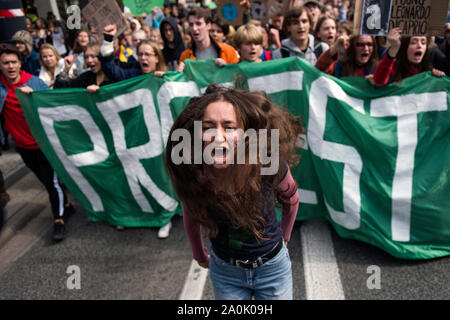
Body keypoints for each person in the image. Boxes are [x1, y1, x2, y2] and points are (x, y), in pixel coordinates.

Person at [165, 84, 303, 300]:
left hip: (272, 269)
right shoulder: (196, 173)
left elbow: (291, 200)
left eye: (229, 127)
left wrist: (285, 237)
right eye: (208, 126)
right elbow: (191, 214)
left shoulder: (268, 164)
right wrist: (199, 253)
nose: (219, 137)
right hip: (225, 273)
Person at [0, 44, 71, 241]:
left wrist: (35, 98)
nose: (11, 66)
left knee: (51, 182)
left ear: (20, 63)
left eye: (14, 62)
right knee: (47, 182)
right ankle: (65, 205)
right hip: (23, 146)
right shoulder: (1, 87)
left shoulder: (35, 82)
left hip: (44, 143)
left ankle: (59, 221)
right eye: (6, 63)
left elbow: (54, 107)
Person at [373, 28, 445, 86]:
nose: (419, 46)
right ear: (404, 47)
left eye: (423, 43)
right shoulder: (393, 68)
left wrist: (438, 77)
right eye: (413, 42)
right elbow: (378, 81)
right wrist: (394, 48)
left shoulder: (428, 71)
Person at [100, 24, 168, 82]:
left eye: (147, 54)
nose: (143, 58)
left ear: (157, 58)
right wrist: (108, 39)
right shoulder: (134, 76)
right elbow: (113, 71)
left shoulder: (167, 78)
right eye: (140, 54)